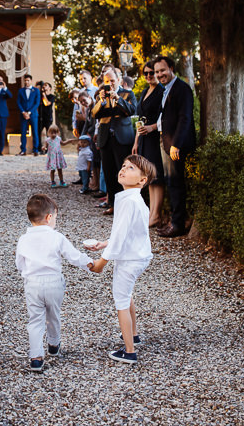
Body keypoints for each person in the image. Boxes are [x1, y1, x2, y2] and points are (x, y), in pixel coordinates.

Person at [87, 155, 157, 364]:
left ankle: (129, 351)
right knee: (127, 295)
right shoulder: (133, 199)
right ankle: (133, 334)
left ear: (142, 180)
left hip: (131, 259)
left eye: (131, 168)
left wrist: (101, 262)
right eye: (124, 166)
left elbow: (120, 238)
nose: (123, 170)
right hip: (137, 255)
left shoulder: (129, 202)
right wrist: (104, 243)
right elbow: (125, 233)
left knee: (121, 301)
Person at [16, 193, 94, 372]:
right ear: (49, 217)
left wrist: (27, 273)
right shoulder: (57, 237)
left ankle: (36, 357)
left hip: (33, 283)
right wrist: (90, 263)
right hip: (53, 283)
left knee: (35, 319)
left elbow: (19, 264)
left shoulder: (23, 239)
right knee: (53, 314)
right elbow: (74, 256)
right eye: (56, 217)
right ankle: (53, 344)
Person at [152, 56, 196, 238]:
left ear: (171, 68)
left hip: (176, 145)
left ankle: (177, 224)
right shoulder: (165, 89)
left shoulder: (182, 89)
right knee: (170, 182)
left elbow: (185, 118)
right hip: (166, 141)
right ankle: (173, 221)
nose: (159, 74)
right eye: (157, 72)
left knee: (175, 183)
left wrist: (176, 144)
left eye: (162, 70)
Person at [90, 68, 136, 215]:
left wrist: (118, 98)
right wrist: (102, 101)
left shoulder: (128, 93)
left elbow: (132, 110)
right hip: (105, 138)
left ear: (119, 80)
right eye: (106, 81)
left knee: (124, 172)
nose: (109, 84)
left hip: (122, 137)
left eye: (112, 81)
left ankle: (128, 206)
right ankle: (114, 205)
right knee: (110, 174)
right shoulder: (100, 96)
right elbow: (94, 114)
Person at [132, 60, 167, 229]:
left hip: (155, 136)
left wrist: (152, 128)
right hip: (144, 137)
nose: (148, 76)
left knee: (157, 177)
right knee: (150, 177)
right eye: (145, 73)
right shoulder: (145, 91)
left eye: (151, 73)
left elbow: (164, 116)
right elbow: (139, 119)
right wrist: (136, 141)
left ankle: (156, 215)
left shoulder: (162, 91)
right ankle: (152, 213)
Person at [17, 74, 41, 156]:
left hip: (33, 114)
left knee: (35, 132)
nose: (26, 82)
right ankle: (23, 150)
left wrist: (29, 112)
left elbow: (37, 103)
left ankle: (35, 150)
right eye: (25, 80)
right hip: (23, 114)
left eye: (28, 80)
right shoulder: (20, 91)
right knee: (23, 132)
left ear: (31, 81)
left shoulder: (36, 90)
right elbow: (18, 102)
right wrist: (23, 112)